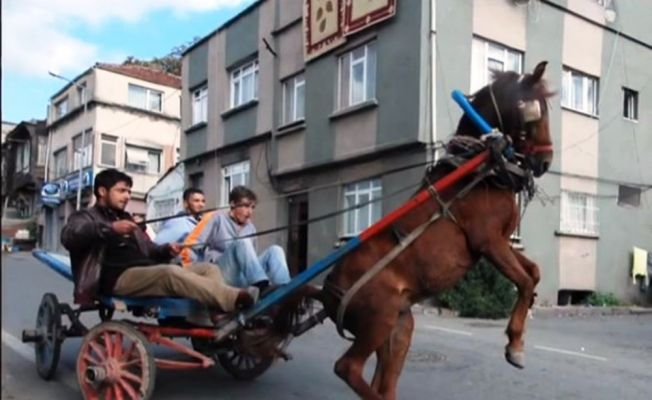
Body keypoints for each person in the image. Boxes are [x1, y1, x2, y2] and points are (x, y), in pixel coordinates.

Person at [60, 169, 258, 313]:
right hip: (115, 278)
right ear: (102, 191)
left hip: (143, 270)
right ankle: (232, 299)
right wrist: (110, 228)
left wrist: (166, 250)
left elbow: (149, 249)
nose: (128, 196)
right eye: (122, 191)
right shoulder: (85, 216)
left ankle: (212, 314)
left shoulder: (126, 218)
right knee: (169, 272)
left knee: (208, 269)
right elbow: (70, 236)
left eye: (129, 191)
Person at [199, 186, 291, 291]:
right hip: (221, 273)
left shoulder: (250, 228)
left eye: (252, 207)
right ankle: (261, 287)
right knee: (242, 241)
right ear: (233, 204)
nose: (250, 212)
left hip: (243, 277)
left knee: (275, 250)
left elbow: (252, 260)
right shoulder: (217, 218)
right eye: (246, 206)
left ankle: (285, 289)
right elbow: (196, 244)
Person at [155, 188, 213, 265]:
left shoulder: (202, 222)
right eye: (196, 201)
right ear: (186, 203)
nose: (201, 205)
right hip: (183, 267)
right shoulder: (177, 221)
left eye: (203, 201)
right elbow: (158, 244)